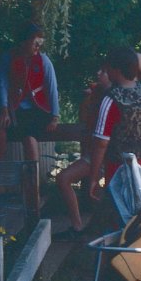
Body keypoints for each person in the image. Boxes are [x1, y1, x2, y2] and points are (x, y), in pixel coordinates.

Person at [87, 47, 141, 202]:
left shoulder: (111, 99)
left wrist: (93, 177)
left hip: (118, 167)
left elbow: (101, 142)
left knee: (118, 212)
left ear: (115, 70)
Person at [53, 63, 111, 238]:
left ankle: (93, 229)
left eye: (103, 70)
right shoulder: (95, 95)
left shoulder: (114, 97)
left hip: (107, 155)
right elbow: (85, 123)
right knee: (64, 178)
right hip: (94, 153)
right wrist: (88, 101)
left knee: (67, 179)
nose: (98, 72)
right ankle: (78, 227)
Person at [0, 22, 60, 165]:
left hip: (37, 111)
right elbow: (2, 84)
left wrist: (55, 116)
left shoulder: (44, 61)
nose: (38, 46)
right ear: (24, 42)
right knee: (0, 133)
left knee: (29, 140)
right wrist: (4, 109)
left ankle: (32, 184)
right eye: (35, 42)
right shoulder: (9, 58)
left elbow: (52, 88)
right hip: (14, 109)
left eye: (39, 43)